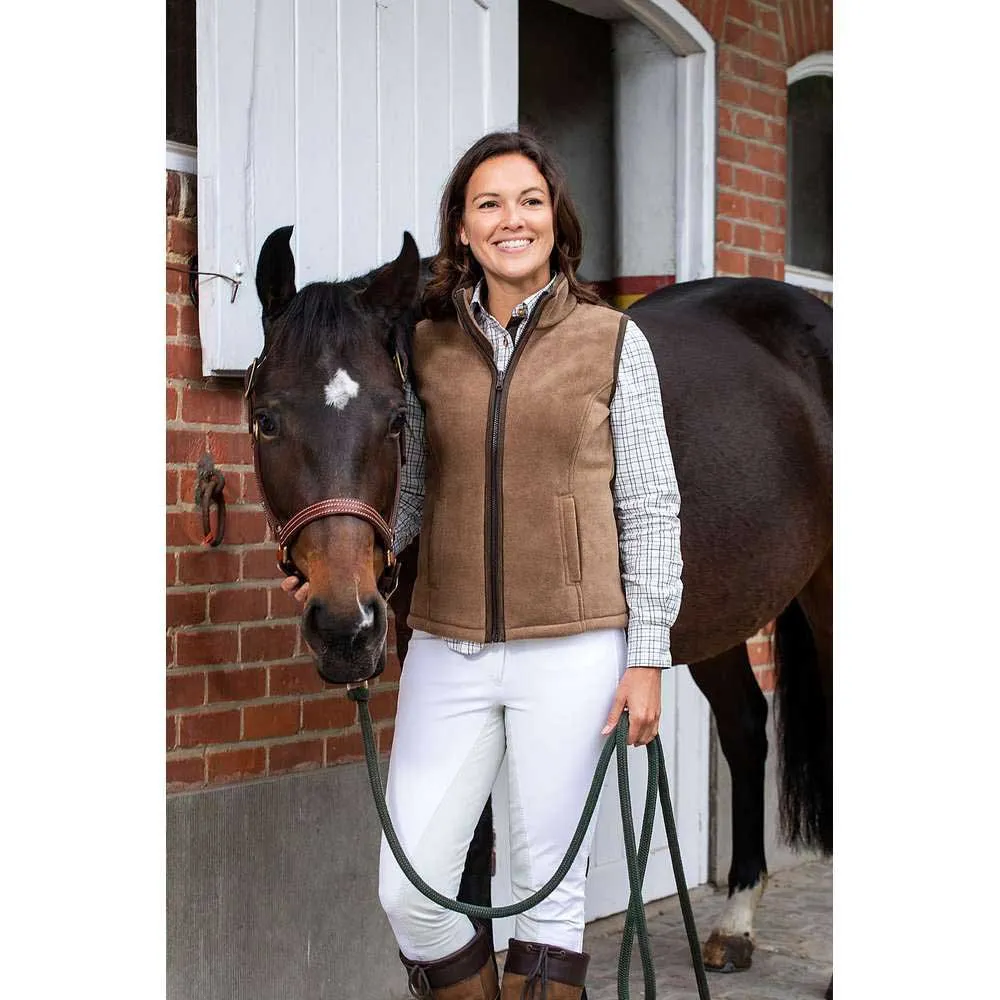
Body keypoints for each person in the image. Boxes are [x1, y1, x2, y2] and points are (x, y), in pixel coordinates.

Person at [284, 130, 683, 1000]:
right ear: (462, 229)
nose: (513, 220)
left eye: (530, 201)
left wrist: (648, 654)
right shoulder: (425, 349)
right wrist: (345, 563)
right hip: (448, 646)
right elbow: (411, 494)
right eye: (489, 204)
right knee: (410, 891)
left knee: (550, 901)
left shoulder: (612, 342)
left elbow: (651, 505)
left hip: (574, 648)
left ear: (556, 219)